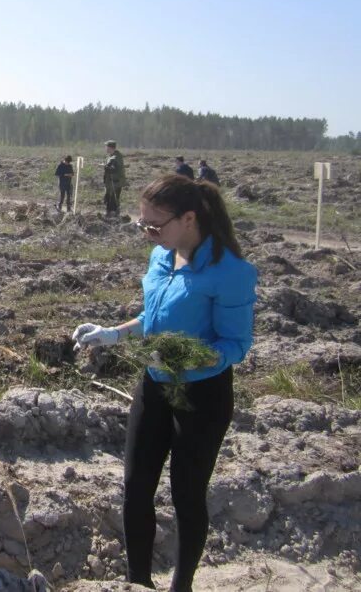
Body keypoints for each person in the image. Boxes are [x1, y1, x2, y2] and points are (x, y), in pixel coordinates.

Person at [71, 174, 256, 592]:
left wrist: (190, 358)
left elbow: (235, 344)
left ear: (189, 219)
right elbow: (154, 318)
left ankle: (181, 586)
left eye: (155, 226)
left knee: (186, 493)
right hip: (154, 384)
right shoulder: (162, 257)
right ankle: (138, 582)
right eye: (143, 224)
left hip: (202, 396)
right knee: (136, 487)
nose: (148, 234)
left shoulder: (230, 272)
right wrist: (112, 333)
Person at [103, 140, 126, 216]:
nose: (105, 148)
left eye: (106, 147)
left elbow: (114, 169)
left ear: (110, 148)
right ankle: (108, 213)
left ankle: (113, 214)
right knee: (108, 197)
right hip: (110, 182)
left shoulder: (116, 157)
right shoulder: (110, 156)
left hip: (115, 182)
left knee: (113, 198)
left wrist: (106, 167)